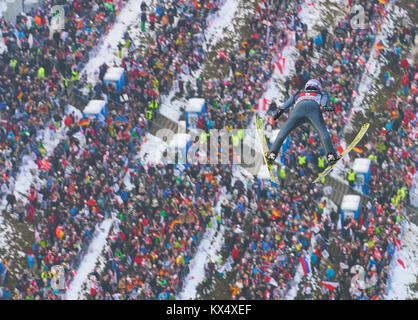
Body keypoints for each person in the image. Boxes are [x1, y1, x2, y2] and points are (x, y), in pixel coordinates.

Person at [265, 79, 339, 166]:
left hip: (298, 111)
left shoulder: (299, 93)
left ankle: (272, 154)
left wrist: (279, 112)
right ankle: (330, 156)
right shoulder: (321, 94)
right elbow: (323, 103)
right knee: (323, 133)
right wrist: (325, 107)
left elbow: (286, 104)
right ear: (318, 87)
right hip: (313, 110)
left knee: (283, 132)